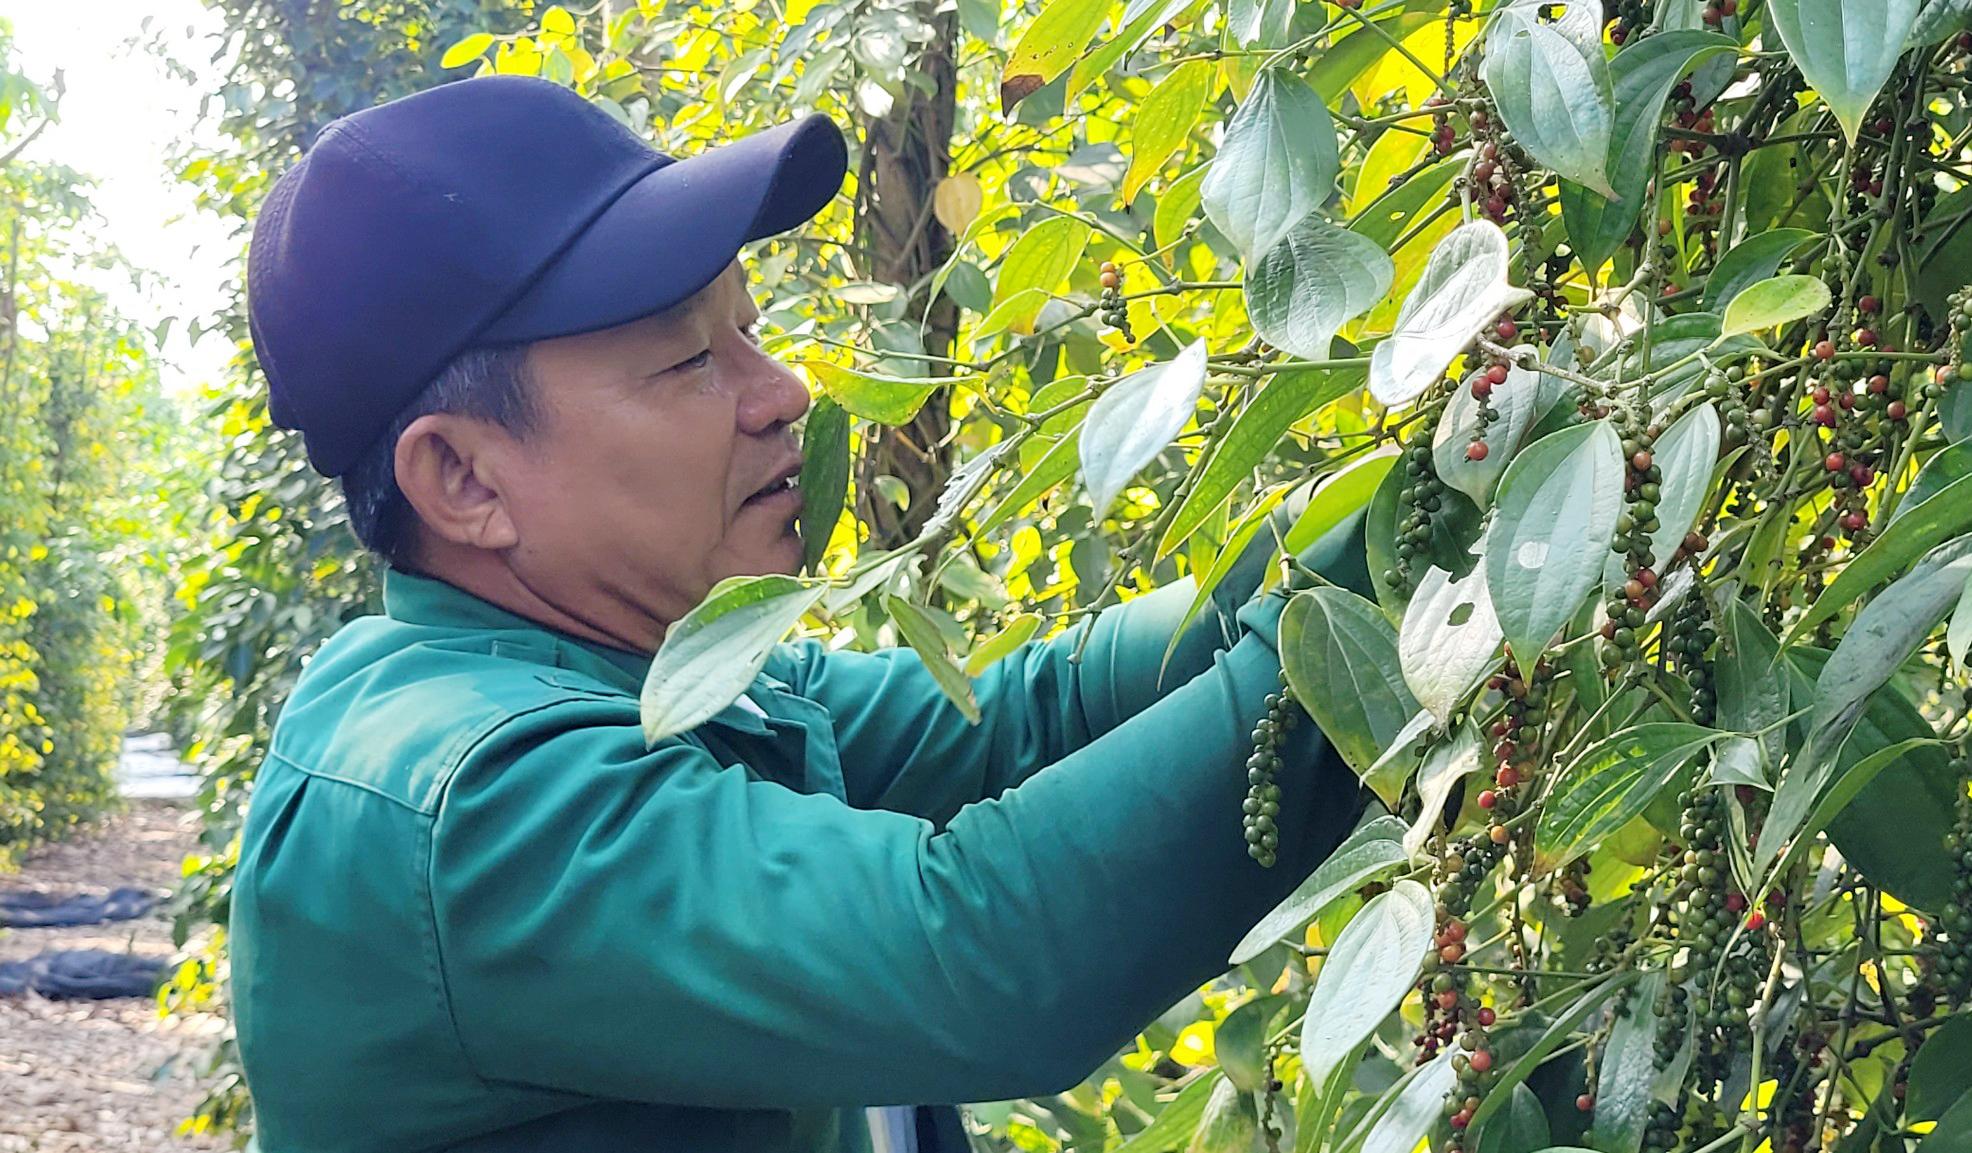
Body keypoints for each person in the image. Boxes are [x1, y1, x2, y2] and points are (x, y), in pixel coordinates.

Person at [232, 74, 1370, 1153]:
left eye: (747, 326)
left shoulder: (663, 676)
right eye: (686, 360)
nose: (782, 392)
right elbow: (986, 948)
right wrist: (1401, 618)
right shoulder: (470, 803)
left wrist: (1390, 517)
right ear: (466, 483)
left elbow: (1040, 711)